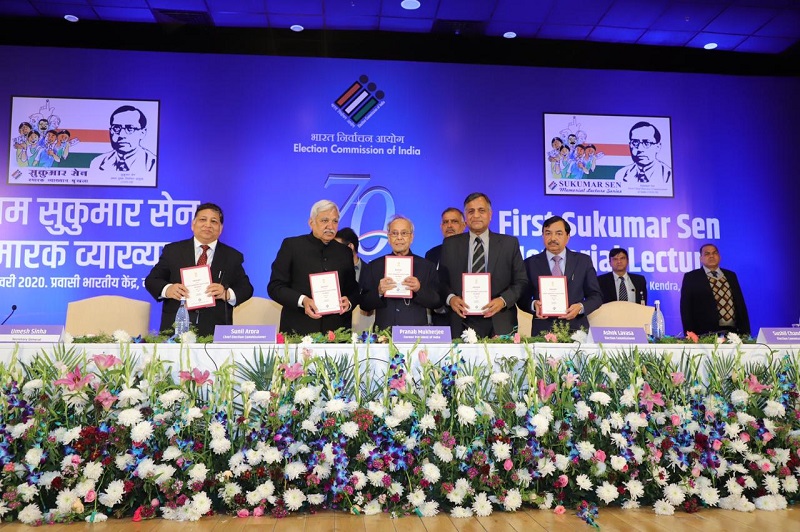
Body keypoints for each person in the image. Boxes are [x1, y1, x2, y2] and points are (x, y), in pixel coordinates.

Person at [144, 203, 254, 336]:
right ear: (193, 224)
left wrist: (226, 294)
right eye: (203, 219)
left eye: (214, 221)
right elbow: (152, 280)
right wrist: (168, 289)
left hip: (215, 331)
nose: (208, 225)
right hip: (175, 328)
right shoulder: (173, 251)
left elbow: (246, 288)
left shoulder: (232, 256)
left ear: (220, 228)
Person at [438, 193, 528, 338]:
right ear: (466, 217)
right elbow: (441, 282)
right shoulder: (450, 244)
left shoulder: (509, 244)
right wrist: (451, 298)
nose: (476, 215)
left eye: (481, 210)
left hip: (500, 320)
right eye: (471, 211)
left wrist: (502, 301)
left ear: (490, 214)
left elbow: (521, 281)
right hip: (460, 320)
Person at [267, 199, 360, 334]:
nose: (330, 226)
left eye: (335, 221)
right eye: (324, 220)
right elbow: (275, 287)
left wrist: (349, 301)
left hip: (336, 334)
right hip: (299, 331)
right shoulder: (292, 246)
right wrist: (302, 300)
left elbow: (354, 290)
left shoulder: (344, 252)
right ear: (311, 222)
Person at [520, 215, 603, 334]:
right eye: (548, 233)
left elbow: (596, 296)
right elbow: (522, 298)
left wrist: (580, 307)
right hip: (543, 331)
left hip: (577, 330)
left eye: (559, 233)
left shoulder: (583, 261)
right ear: (542, 236)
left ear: (568, 237)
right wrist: (533, 305)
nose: (553, 238)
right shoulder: (529, 263)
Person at [359, 216, 440, 328]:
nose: (399, 237)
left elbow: (437, 301)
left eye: (404, 233)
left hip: (415, 336)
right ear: (388, 237)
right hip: (384, 335)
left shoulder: (427, 266)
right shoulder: (374, 266)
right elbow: (364, 304)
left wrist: (419, 289)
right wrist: (379, 292)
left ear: (411, 237)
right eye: (394, 233)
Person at [680, 244, 750, 336]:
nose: (711, 256)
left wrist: (745, 332)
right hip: (705, 333)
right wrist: (689, 333)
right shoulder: (692, 277)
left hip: (733, 333)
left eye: (714, 253)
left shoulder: (731, 276)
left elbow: (740, 305)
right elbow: (686, 308)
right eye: (707, 254)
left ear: (719, 256)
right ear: (701, 258)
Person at [425, 207, 466, 326]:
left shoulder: (473, 251)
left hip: (466, 316)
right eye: (445, 222)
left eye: (454, 221)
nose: (449, 225)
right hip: (440, 318)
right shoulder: (431, 254)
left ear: (464, 225)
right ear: (441, 226)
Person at [90, 105, 157, 173]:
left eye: (130, 128)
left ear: (142, 133)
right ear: (110, 131)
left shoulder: (154, 163)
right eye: (116, 128)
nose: (122, 135)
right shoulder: (97, 163)